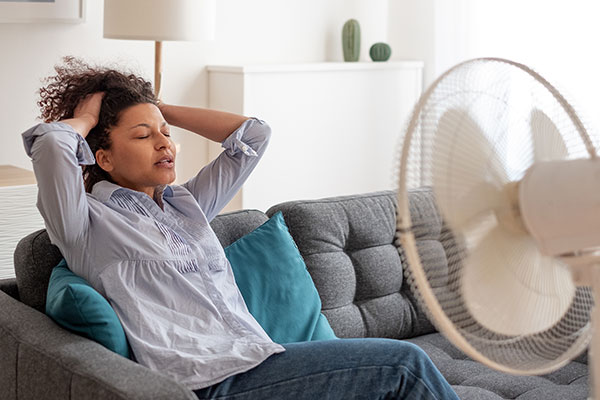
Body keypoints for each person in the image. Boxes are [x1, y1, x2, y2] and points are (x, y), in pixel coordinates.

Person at [23, 57, 459, 400]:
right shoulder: (85, 224)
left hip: (261, 359)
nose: (165, 143)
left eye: (167, 133)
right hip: (207, 380)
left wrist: (155, 108)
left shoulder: (187, 206)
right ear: (103, 158)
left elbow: (253, 136)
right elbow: (50, 147)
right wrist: (85, 118)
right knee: (405, 365)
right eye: (143, 136)